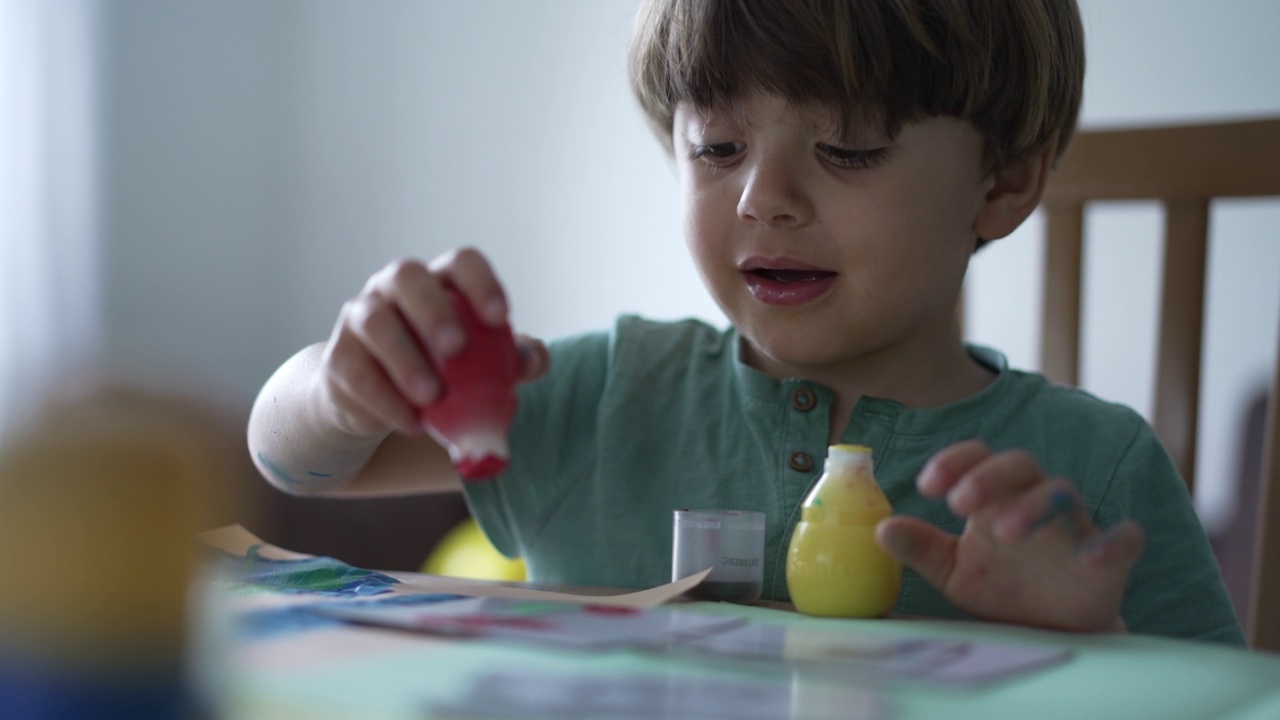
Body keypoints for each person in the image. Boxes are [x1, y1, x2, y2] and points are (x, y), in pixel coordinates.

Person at [248, 0, 1244, 644]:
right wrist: (337, 389)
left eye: (848, 148)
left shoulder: (1091, 469)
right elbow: (298, 467)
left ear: (1004, 180)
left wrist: (1093, 650)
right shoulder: (601, 399)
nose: (762, 198)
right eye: (716, 146)